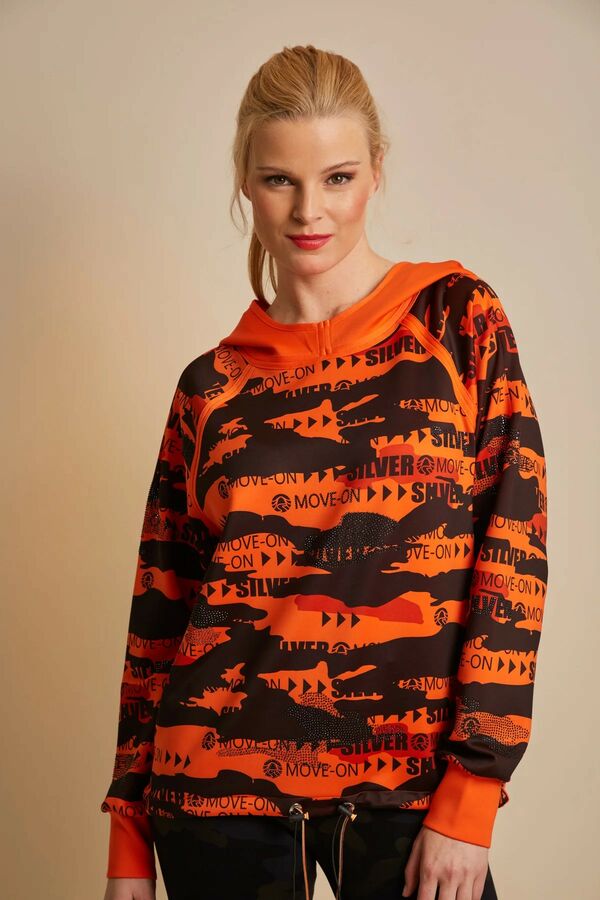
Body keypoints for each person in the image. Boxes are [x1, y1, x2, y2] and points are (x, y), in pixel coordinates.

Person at [101, 44, 548, 900]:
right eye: (280, 180)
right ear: (245, 180)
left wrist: (472, 795)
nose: (310, 211)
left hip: (406, 788)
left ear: (376, 171)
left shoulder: (457, 320)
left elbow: (512, 556)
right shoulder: (210, 387)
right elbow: (158, 616)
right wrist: (128, 841)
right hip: (213, 799)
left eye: (337, 178)